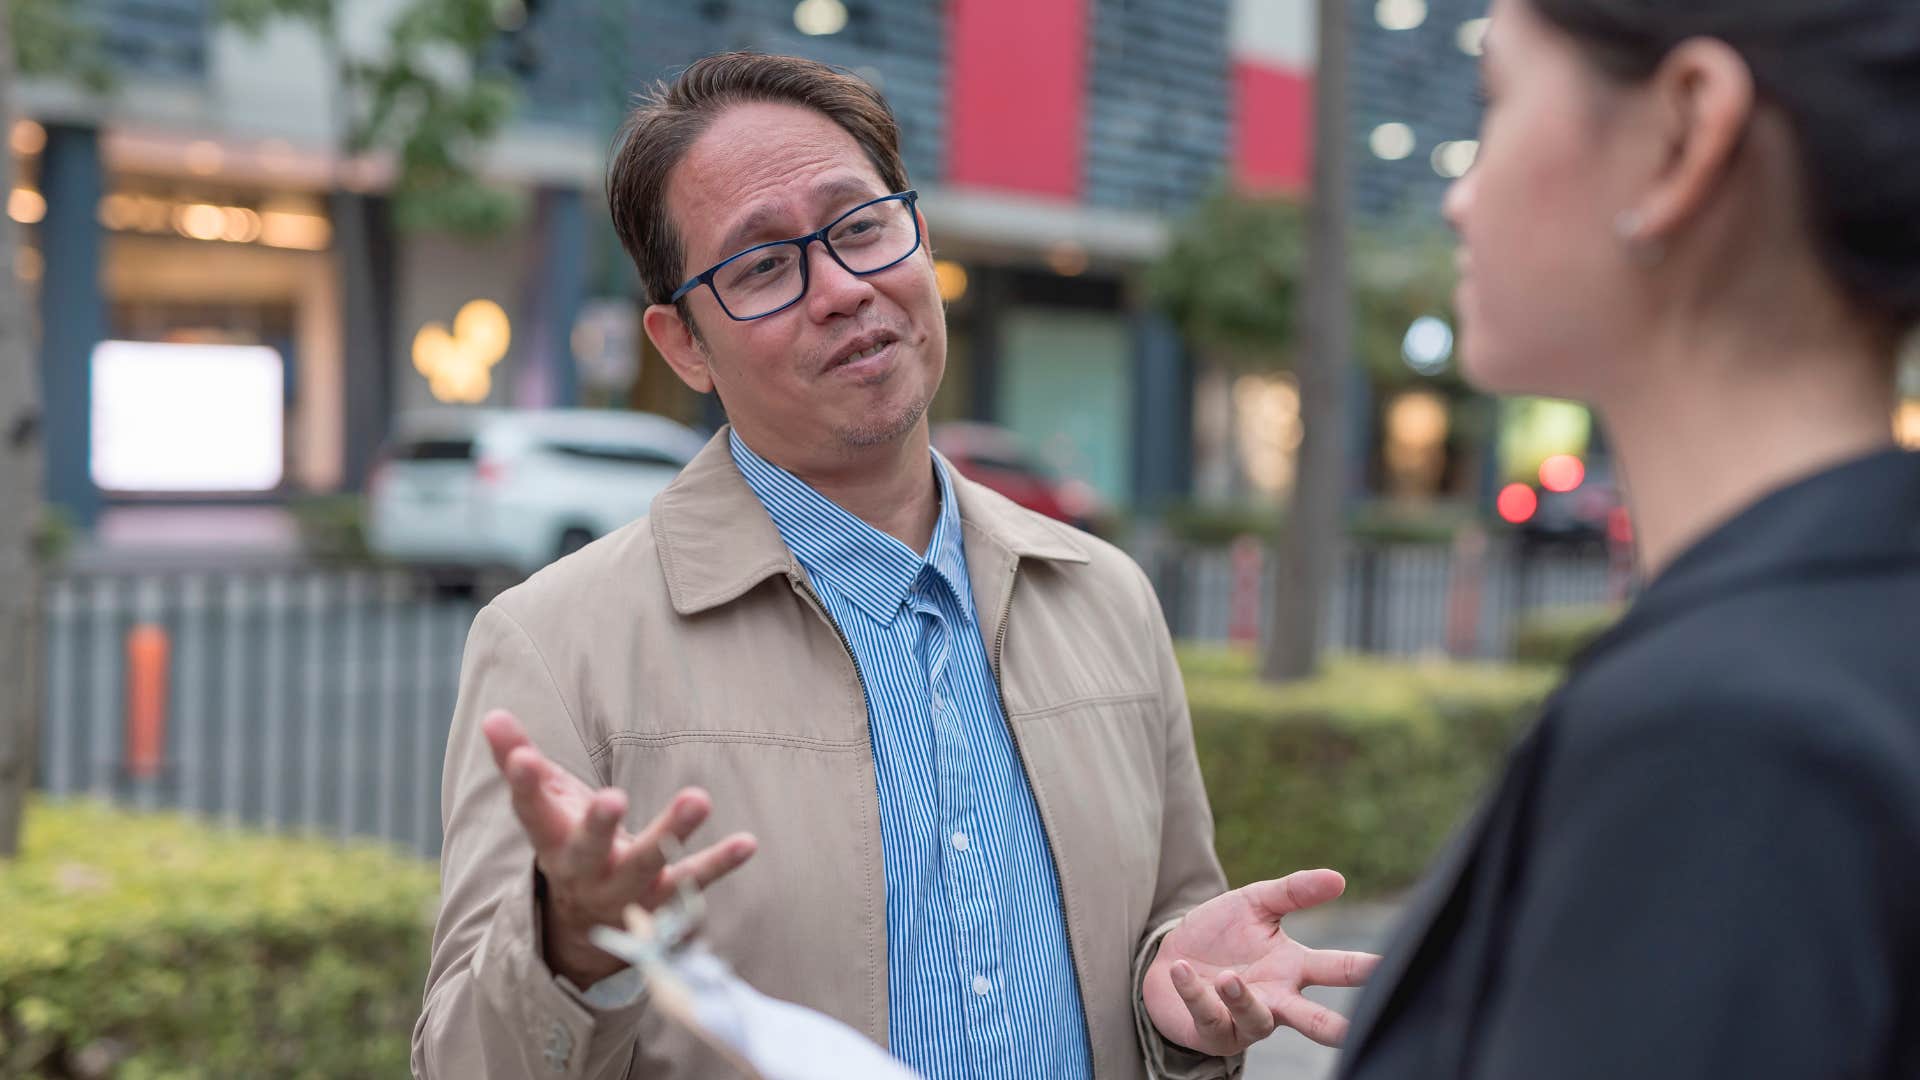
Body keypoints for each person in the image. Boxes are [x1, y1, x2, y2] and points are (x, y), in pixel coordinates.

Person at [413, 52, 1377, 1080]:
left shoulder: (1103, 594)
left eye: (862, 227)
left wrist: (1178, 1009)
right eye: (762, 266)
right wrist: (569, 950)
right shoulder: (557, 644)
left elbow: (1168, 925)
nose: (840, 287)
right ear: (683, 344)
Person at [1339, 0, 1920, 1076]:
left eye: (1496, 101)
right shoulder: (1855, 633)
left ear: (1684, 134)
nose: (1460, 196)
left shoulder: (1733, 740)